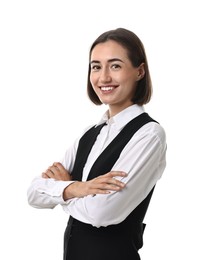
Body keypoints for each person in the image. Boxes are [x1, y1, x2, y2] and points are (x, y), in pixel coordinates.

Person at [27, 27, 167, 260]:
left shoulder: (149, 135)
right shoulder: (89, 134)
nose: (103, 78)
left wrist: (62, 191)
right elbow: (33, 193)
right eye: (96, 66)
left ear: (139, 71)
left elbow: (102, 213)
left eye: (115, 66)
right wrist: (78, 188)